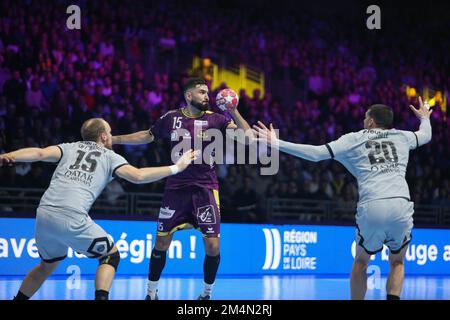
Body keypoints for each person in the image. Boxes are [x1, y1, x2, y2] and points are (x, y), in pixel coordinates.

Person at [253, 97, 432, 300]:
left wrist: (277, 143)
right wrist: (424, 117)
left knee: (362, 261)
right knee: (398, 261)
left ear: (371, 121)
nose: (364, 121)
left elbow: (316, 154)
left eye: (365, 117)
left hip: (372, 204)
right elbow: (426, 134)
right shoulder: (403, 137)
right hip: (401, 203)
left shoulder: (353, 139)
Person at [0, 118, 196, 300]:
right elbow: (137, 176)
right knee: (111, 255)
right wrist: (176, 167)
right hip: (72, 216)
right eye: (110, 132)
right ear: (103, 136)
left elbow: (40, 153)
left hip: (44, 214)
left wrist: (10, 156)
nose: (111, 136)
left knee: (46, 266)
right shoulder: (110, 156)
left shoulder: (69, 147)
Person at [112, 77, 254, 300]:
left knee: (213, 246)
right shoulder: (171, 118)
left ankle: (206, 294)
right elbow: (146, 136)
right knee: (161, 242)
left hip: (205, 189)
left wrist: (234, 111)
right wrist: (115, 139)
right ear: (189, 96)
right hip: (175, 189)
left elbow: (248, 140)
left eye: (208, 92)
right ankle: (151, 293)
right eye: (202, 92)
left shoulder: (217, 120)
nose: (207, 96)